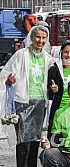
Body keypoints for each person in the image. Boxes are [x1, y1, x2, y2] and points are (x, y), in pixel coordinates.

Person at [0, 25, 54, 167]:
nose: (40, 41)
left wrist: (53, 87)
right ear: (31, 37)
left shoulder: (48, 59)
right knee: (23, 142)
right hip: (23, 102)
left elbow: (52, 81)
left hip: (40, 104)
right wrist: (9, 80)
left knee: (35, 140)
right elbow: (6, 73)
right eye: (38, 37)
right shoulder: (21, 54)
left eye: (43, 38)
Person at [47, 40, 70, 139]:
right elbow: (47, 93)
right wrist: (52, 90)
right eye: (66, 52)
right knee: (55, 141)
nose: (69, 55)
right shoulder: (54, 70)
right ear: (61, 53)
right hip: (59, 111)